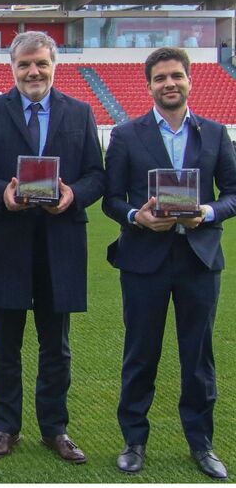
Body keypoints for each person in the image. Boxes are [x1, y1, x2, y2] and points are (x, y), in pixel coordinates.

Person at [0, 31, 105, 463]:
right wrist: (0, 194)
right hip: (6, 240)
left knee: (56, 346)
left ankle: (55, 428)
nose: (33, 72)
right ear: (12, 67)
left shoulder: (80, 113)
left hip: (59, 243)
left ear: (53, 65)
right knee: (3, 345)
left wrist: (73, 195)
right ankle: (5, 428)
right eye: (24, 64)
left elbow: (97, 175)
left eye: (40, 63)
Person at [103, 47, 236, 479]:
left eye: (176, 76)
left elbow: (233, 192)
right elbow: (111, 199)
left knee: (198, 357)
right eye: (160, 78)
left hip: (199, 258)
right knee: (140, 354)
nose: (169, 84)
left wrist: (209, 213)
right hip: (144, 259)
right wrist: (134, 216)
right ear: (149, 86)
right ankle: (134, 441)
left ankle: (201, 444)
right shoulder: (125, 135)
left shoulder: (215, 134)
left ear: (190, 80)